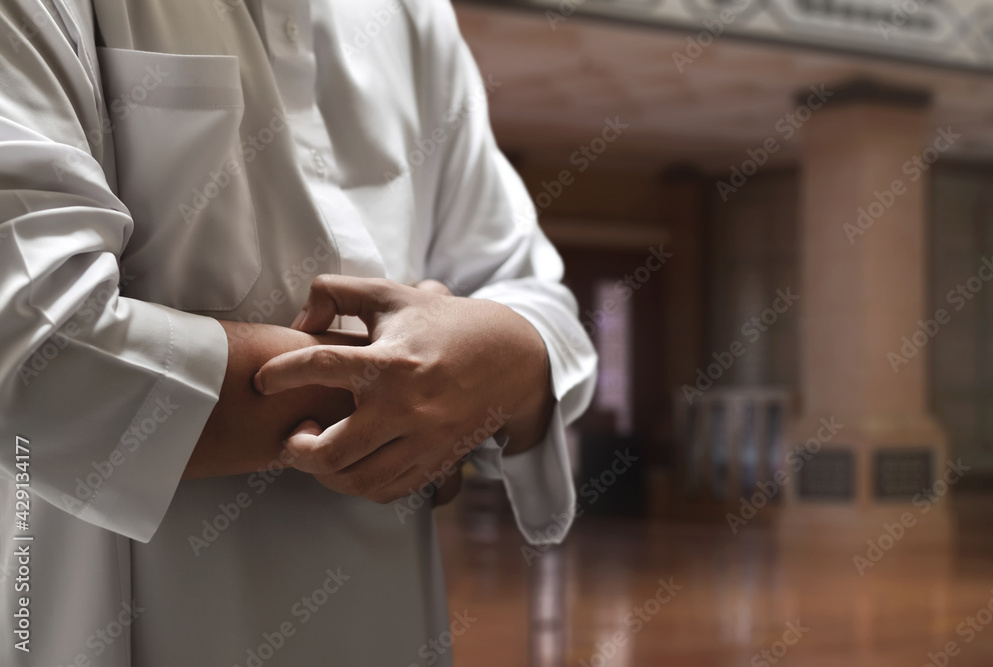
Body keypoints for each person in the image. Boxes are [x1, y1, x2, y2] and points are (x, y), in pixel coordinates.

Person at [0, 0, 597, 664]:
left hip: (392, 623)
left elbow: (534, 297)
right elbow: (33, 344)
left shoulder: (414, 14)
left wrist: (496, 361)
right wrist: (433, 394)